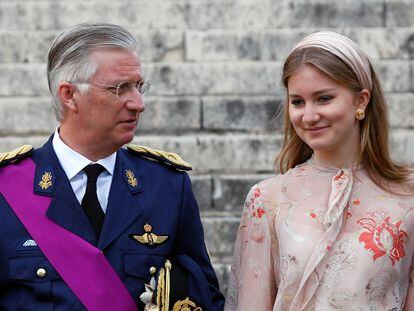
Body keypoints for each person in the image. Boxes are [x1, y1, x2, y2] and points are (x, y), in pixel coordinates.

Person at [0, 23, 224, 311]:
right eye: (121, 88)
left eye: (139, 86)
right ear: (69, 95)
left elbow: (204, 297)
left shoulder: (167, 185)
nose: (138, 103)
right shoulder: (7, 189)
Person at [224, 31, 414, 310]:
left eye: (324, 98)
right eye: (298, 102)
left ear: (361, 100)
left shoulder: (407, 195)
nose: (309, 116)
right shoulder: (267, 199)